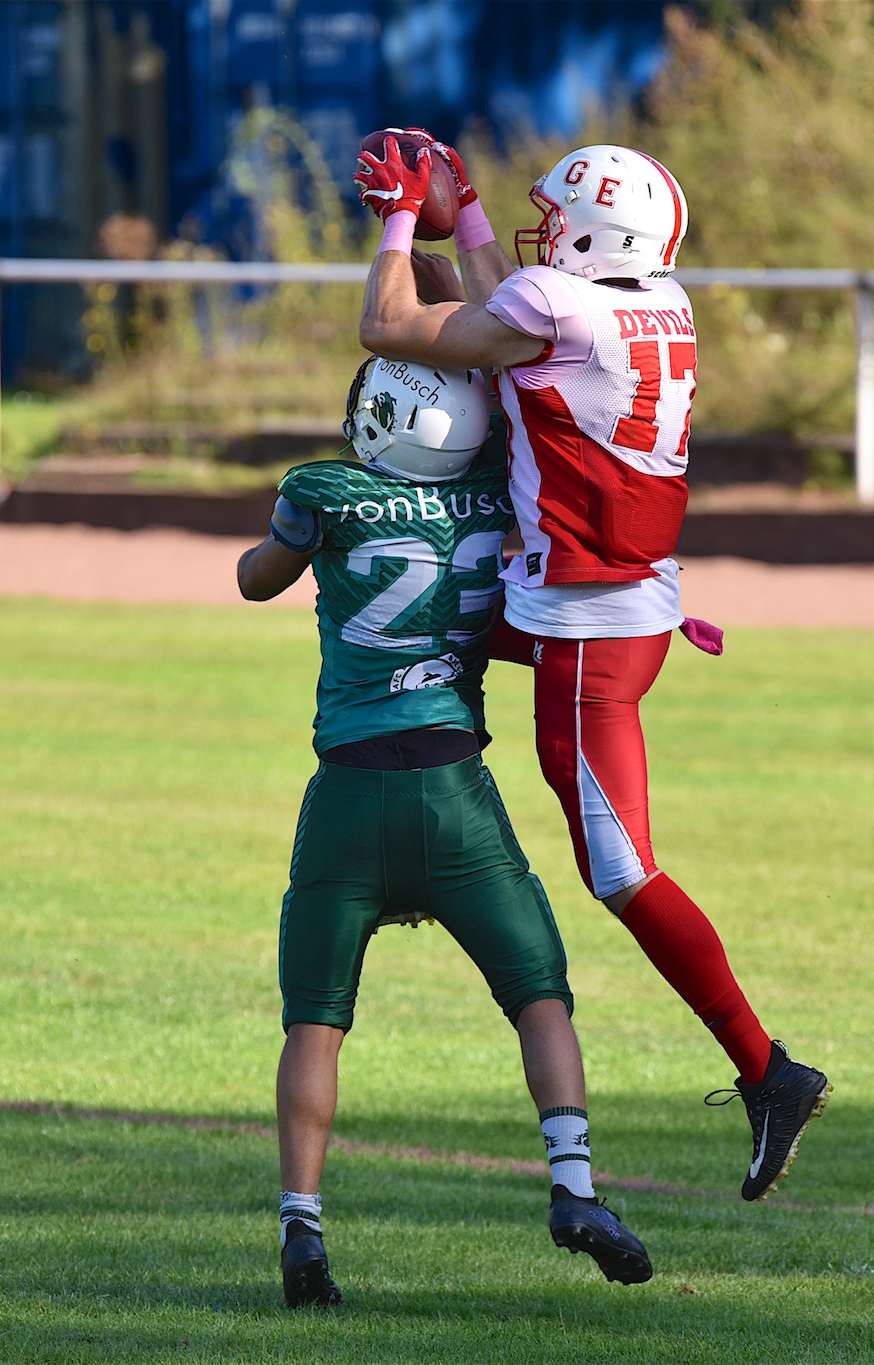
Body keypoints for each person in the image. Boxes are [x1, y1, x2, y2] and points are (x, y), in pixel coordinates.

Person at [352, 131, 830, 1201]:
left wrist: (398, 213)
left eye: (553, 218)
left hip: (583, 631)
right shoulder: (650, 300)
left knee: (619, 870)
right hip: (616, 608)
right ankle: (409, 831)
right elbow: (511, 309)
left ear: (596, 232)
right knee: (435, 626)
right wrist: (464, 210)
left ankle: (767, 1070)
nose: (538, 233)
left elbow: (390, 324)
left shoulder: (556, 306)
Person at [238, 349, 652, 1308]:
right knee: (538, 994)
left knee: (316, 1020)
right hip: (454, 791)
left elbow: (259, 579)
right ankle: (575, 1186)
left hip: (347, 793)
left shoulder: (325, 490)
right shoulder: (493, 497)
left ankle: (303, 1225)